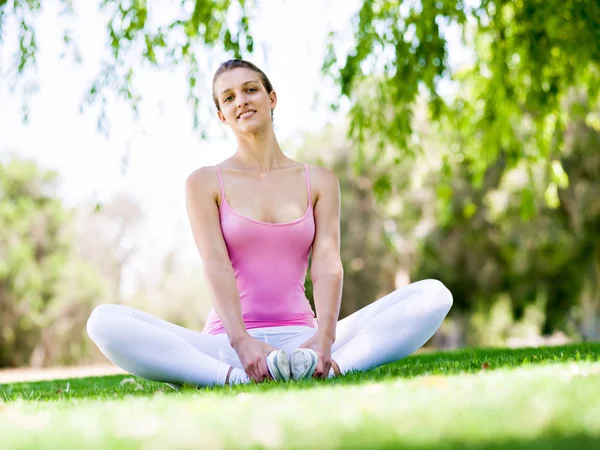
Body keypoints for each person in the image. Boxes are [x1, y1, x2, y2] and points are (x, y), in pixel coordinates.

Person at [86, 59, 453, 389]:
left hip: (304, 341)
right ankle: (230, 379)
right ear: (222, 116)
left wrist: (325, 338)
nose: (241, 101)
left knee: (434, 295)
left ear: (271, 98)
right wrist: (242, 342)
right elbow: (215, 266)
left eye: (250, 90)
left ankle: (334, 366)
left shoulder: (320, 180)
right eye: (228, 98)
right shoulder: (204, 183)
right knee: (103, 321)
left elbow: (327, 264)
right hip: (227, 344)